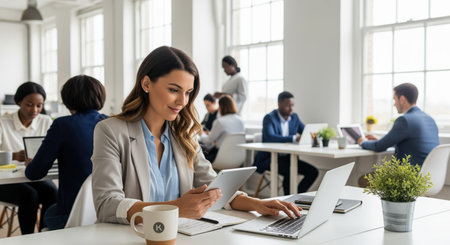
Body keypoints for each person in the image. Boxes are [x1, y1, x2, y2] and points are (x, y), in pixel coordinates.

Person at [91, 46, 301, 225]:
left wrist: (258, 204)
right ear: (146, 84)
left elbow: (215, 187)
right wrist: (175, 208)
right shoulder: (111, 131)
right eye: (174, 89)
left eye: (188, 92)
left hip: (182, 235)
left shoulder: (183, 134)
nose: (182, 101)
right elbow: (107, 204)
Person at [25, 75, 108, 230]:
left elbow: (34, 173)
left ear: (67, 99)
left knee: (50, 213)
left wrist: (32, 163)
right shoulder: (111, 123)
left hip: (71, 215)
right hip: (108, 214)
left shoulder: (63, 125)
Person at [0, 81, 57, 234]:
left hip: (34, 175)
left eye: (39, 105)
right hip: (6, 181)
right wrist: (13, 155)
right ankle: (28, 238)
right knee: (30, 196)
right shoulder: (2, 122)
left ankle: (45, 235)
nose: (35, 110)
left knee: (52, 193)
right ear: (19, 102)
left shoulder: (45, 121)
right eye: (29, 104)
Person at [358, 83, 439, 166]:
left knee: (364, 178)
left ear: (402, 99)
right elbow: (414, 145)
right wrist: (382, 140)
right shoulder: (430, 120)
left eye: (395, 99)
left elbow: (379, 147)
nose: (394, 104)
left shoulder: (405, 120)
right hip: (428, 176)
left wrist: (363, 142)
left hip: (409, 177)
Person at [253, 91, 319, 195]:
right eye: (287, 105)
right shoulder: (269, 118)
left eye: (292, 105)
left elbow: (306, 132)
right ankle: (288, 200)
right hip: (269, 159)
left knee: (313, 172)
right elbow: (270, 138)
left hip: (288, 158)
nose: (291, 108)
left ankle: (295, 196)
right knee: (290, 171)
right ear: (279, 104)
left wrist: (317, 135)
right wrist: (293, 138)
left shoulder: (294, 118)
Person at [200, 95, 245, 163]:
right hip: (238, 158)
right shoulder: (241, 120)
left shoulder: (219, 121)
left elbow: (207, 141)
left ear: (221, 107)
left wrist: (201, 133)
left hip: (219, 157)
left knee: (197, 153)